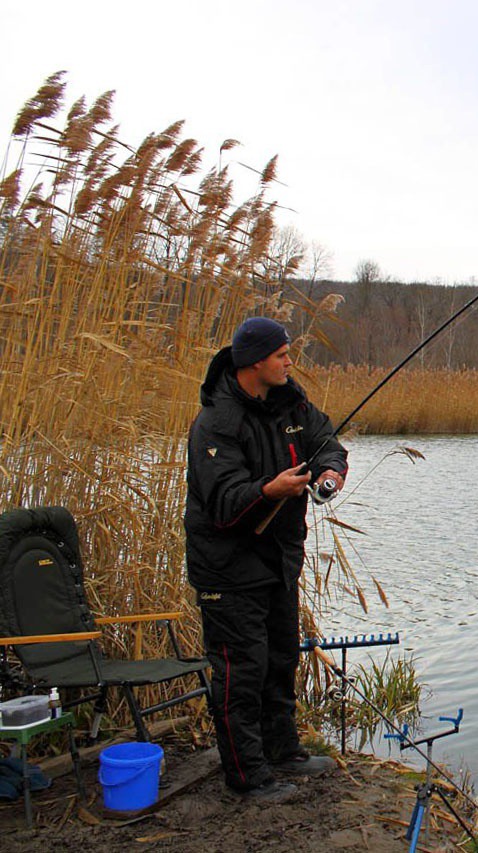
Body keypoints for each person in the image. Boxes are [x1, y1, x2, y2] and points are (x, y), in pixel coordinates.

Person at [184, 316, 349, 801]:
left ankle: (283, 751)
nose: (289, 361)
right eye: (282, 355)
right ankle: (248, 777)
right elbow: (224, 502)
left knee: (280, 657)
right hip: (228, 568)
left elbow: (327, 443)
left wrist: (329, 474)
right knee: (242, 670)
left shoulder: (291, 402)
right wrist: (270, 489)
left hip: (279, 559)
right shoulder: (216, 422)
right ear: (256, 362)